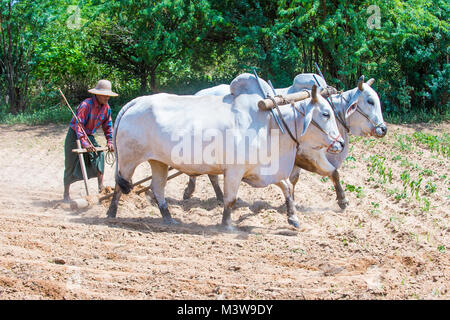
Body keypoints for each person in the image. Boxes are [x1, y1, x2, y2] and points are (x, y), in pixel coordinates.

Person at [63, 79, 118, 201]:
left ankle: (101, 188)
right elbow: (79, 126)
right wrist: (85, 143)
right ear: (97, 94)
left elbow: (108, 126)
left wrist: (110, 141)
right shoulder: (86, 105)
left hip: (89, 134)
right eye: (105, 95)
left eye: (108, 95)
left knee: (100, 155)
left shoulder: (106, 108)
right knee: (70, 164)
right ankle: (66, 194)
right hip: (75, 135)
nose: (107, 97)